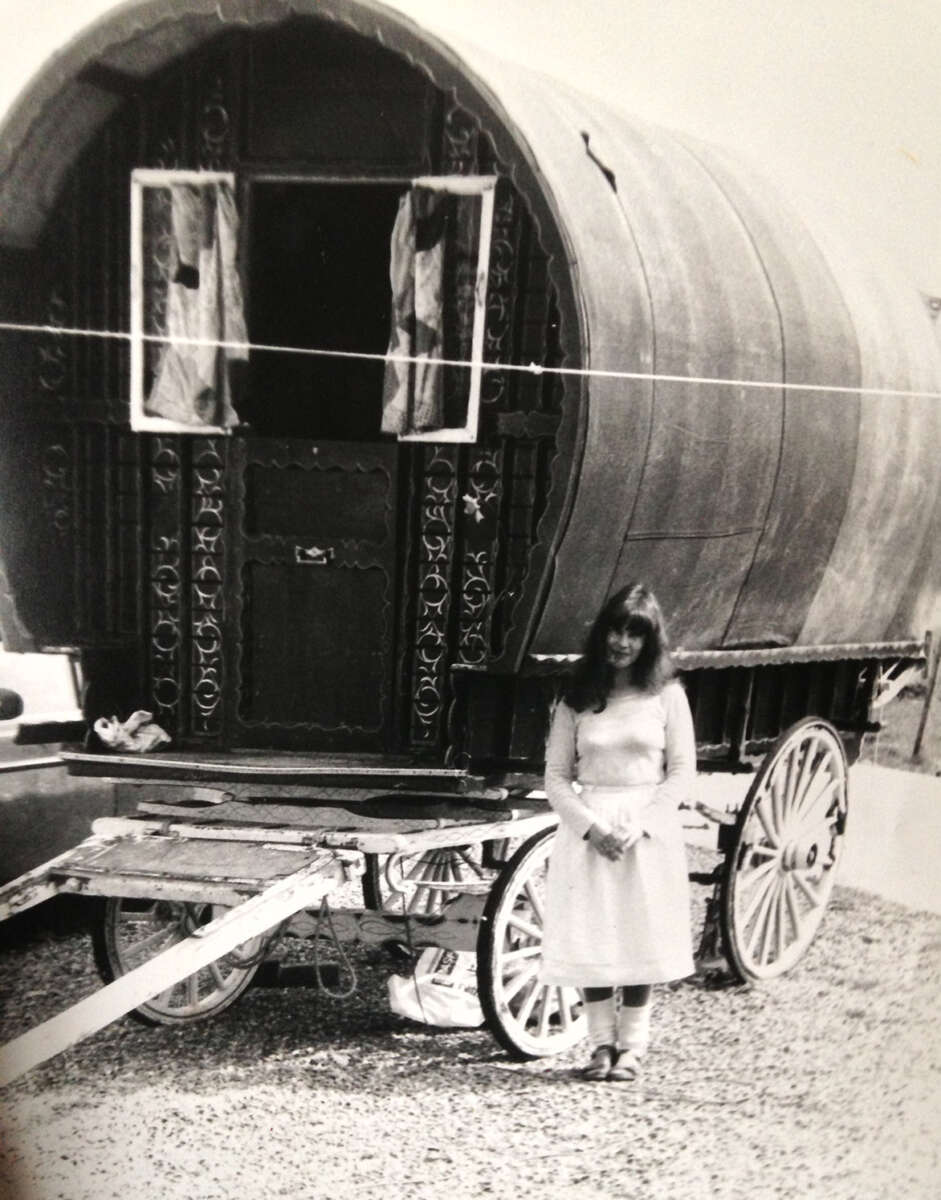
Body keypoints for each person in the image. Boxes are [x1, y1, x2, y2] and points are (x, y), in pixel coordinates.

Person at [540, 582, 696, 1082]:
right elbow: (556, 778)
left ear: (650, 641)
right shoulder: (577, 698)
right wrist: (591, 829)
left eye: (635, 633)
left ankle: (632, 1047)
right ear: (601, 633)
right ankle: (600, 1046)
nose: (622, 643)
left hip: (644, 831)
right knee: (593, 938)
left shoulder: (667, 695)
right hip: (591, 831)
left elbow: (681, 773)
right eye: (615, 630)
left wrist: (642, 825)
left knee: (637, 934)